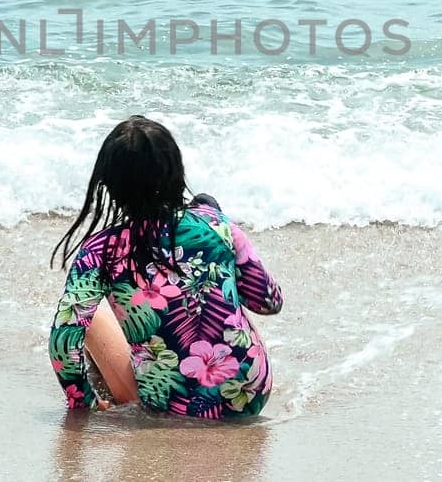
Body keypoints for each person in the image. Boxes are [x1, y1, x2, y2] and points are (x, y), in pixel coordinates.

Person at [48, 115, 283, 418]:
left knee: (86, 319)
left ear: (108, 185)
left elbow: (62, 342)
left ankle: (118, 390)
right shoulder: (217, 226)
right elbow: (268, 302)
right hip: (248, 395)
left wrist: (85, 405)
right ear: (176, 171)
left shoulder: (99, 252)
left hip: (171, 405)